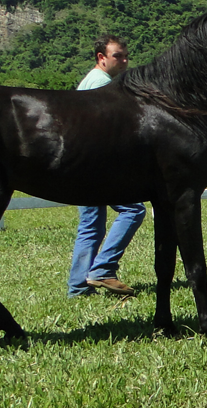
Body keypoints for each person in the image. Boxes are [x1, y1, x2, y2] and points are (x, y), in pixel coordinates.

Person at [67, 35, 146, 297]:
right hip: (96, 166)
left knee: (91, 226)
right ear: (101, 58)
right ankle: (102, 268)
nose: (123, 61)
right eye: (117, 56)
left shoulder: (95, 81)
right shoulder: (101, 85)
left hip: (83, 165)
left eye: (125, 56)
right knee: (133, 210)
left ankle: (78, 287)